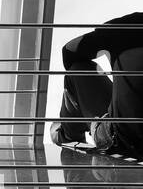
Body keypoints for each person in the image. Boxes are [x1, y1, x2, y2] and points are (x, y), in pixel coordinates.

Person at [50, 14, 143, 159]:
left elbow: (69, 52)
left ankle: (68, 134)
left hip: (125, 139)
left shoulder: (129, 25)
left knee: (78, 70)